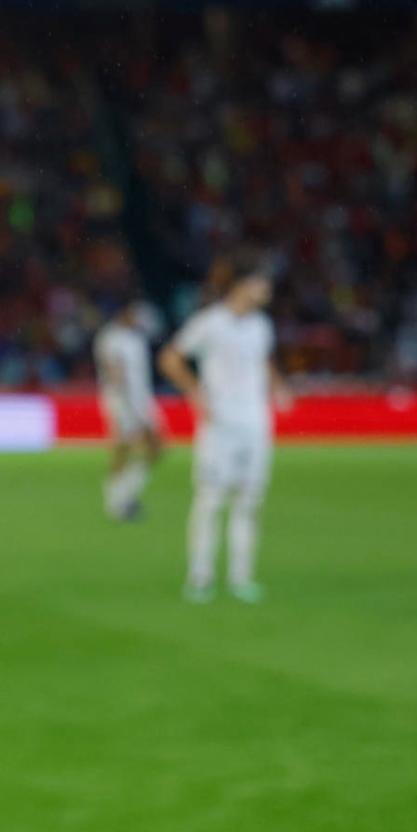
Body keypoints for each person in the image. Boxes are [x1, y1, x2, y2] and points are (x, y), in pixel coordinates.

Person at [158, 249, 291, 604]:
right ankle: (200, 576)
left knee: (248, 501)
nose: (268, 289)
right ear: (243, 284)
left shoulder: (262, 325)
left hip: (256, 423)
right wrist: (196, 392)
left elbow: (263, 360)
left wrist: (278, 387)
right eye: (262, 282)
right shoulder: (210, 322)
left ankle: (241, 576)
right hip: (220, 424)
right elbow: (170, 358)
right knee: (211, 498)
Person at [93, 300, 162, 520]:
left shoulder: (136, 338)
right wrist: (128, 405)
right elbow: (115, 372)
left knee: (154, 446)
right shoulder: (110, 338)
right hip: (121, 401)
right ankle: (116, 498)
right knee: (123, 446)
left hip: (141, 399)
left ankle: (123, 493)